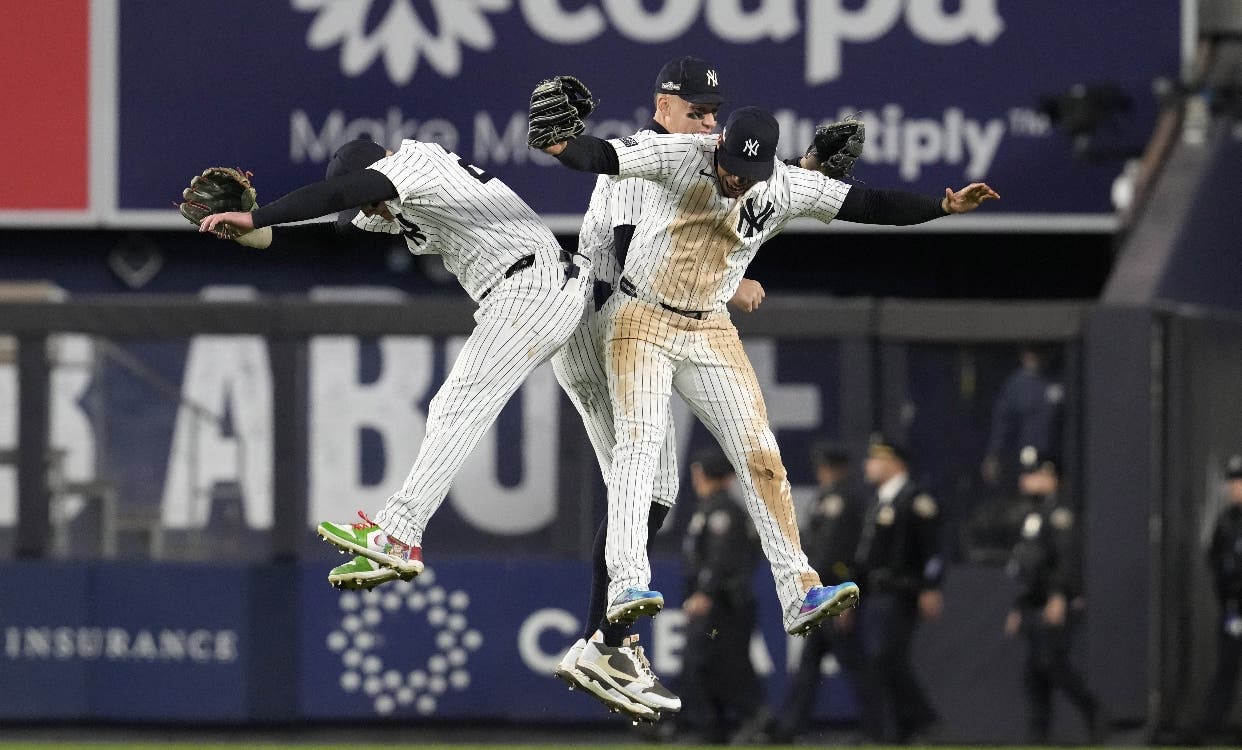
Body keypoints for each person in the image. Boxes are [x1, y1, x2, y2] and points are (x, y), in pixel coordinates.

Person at [534, 100, 994, 641]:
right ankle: (626, 587)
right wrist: (563, 145)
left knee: (762, 455)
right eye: (731, 167)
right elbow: (605, 155)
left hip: (708, 328)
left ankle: (798, 590)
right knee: (639, 445)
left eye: (747, 174)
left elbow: (866, 203)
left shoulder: (781, 183)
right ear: (721, 144)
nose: (735, 180)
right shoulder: (685, 153)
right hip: (641, 318)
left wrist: (940, 206)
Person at [199, 138, 586, 589]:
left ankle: (399, 535)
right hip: (545, 288)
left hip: (532, 287)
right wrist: (266, 227)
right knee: (621, 438)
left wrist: (257, 217)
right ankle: (619, 598)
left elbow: (342, 195)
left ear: (376, 174)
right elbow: (338, 213)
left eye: (368, 200)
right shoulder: (397, 200)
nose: (370, 212)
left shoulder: (415, 164)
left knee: (455, 408)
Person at [553, 56, 766, 721]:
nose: (707, 122)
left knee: (647, 492)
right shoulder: (648, 155)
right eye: (695, 111)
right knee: (650, 491)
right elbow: (627, 250)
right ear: (663, 106)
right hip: (601, 323)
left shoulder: (689, 167)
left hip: (600, 323)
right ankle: (605, 642)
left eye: (713, 113)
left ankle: (606, 640)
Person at [769, 442, 866, 743]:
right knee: (809, 666)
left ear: (837, 468)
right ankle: (789, 728)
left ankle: (884, 728)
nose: (822, 472)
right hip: (819, 596)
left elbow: (844, 554)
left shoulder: (847, 499)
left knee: (856, 665)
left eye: (826, 467)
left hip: (834, 595)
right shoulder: (824, 498)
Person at [1003, 446, 1100, 744]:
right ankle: (1038, 737)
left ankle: (1092, 710)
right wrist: (1019, 607)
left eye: (1034, 474)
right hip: (1033, 602)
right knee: (1034, 675)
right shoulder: (1030, 514)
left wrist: (1058, 595)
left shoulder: (1059, 513)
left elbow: (1065, 559)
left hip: (1054, 602)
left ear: (1050, 477)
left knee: (1052, 664)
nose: (1026, 479)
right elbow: (1027, 567)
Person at [673, 449, 767, 744]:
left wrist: (705, 592)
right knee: (717, 664)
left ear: (703, 475)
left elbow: (720, 561)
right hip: (723, 605)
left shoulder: (723, 512)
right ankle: (718, 726)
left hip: (722, 606)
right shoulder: (712, 508)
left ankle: (744, 717)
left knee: (704, 660)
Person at [853, 435, 944, 743]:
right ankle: (898, 729)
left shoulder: (914, 499)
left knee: (885, 656)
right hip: (876, 593)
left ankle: (922, 719)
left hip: (902, 591)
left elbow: (933, 551)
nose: (868, 464)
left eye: (875, 459)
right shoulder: (880, 501)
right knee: (878, 660)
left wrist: (930, 587)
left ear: (893, 463)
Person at [1197, 452, 1242, 744]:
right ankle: (1208, 731)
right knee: (1226, 669)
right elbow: (1215, 564)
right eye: (1233, 481)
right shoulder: (1226, 522)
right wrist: (1230, 603)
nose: (1235, 487)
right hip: (1234, 609)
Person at [981, 345, 1064, 491]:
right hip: (1024, 458)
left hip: (1055, 458)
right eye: (1030, 352)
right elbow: (1003, 423)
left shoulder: (1058, 380)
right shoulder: (1016, 385)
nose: (1033, 357)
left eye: (1038, 352)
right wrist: (994, 454)